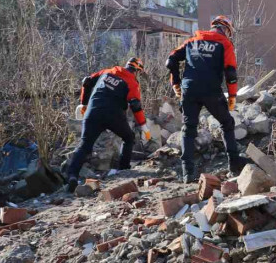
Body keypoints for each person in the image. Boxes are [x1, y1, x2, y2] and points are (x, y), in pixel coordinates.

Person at [167, 15, 248, 183]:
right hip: (211, 90)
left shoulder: (191, 41)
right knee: (227, 123)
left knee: (189, 128)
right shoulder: (224, 43)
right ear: (226, 29)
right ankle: (234, 164)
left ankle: (187, 174)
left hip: (189, 89)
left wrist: (176, 82)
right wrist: (232, 95)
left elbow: (171, 60)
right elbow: (231, 73)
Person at [67, 58, 150, 192]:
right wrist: (144, 126)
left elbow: (86, 81)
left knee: (84, 145)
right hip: (114, 115)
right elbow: (135, 105)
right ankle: (123, 169)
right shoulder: (132, 82)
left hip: (93, 112)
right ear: (137, 71)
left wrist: (84, 103)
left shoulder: (107, 71)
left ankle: (72, 176)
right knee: (129, 138)